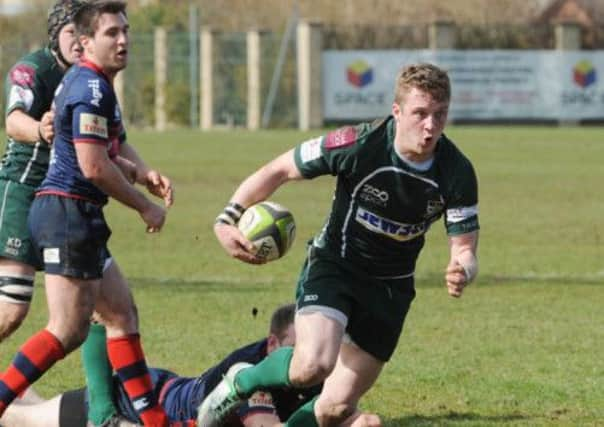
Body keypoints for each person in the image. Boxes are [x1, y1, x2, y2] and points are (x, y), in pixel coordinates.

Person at [203, 63, 480, 426]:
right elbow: (279, 169)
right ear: (397, 112)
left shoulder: (457, 172)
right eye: (420, 114)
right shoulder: (358, 144)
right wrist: (227, 219)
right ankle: (241, 381)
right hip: (336, 266)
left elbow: (465, 247)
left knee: (334, 408)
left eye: (440, 115)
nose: (430, 126)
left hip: (391, 289)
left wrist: (462, 268)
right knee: (312, 365)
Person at [0, 2, 174, 426]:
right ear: (86, 41)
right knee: (66, 329)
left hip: (76, 214)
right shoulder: (89, 88)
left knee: (119, 314)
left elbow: (102, 151)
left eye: (125, 31)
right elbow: (92, 166)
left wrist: (138, 172)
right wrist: (143, 205)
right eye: (112, 33)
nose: (123, 40)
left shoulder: (94, 84)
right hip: (65, 214)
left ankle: (153, 421)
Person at [0, 304, 381, 427]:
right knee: (17, 419)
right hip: (132, 406)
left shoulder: (312, 366)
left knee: (30, 406)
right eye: (294, 349)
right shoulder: (255, 376)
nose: (308, 357)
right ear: (272, 345)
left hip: (165, 390)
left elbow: (342, 410)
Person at [0, 0, 83, 343]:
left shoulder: (91, 77)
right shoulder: (33, 69)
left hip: (65, 200)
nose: (80, 41)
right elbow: (13, 120)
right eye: (71, 32)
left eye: (86, 32)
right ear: (55, 34)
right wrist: (40, 130)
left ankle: (107, 396)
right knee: (11, 308)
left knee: (95, 304)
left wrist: (141, 173)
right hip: (23, 190)